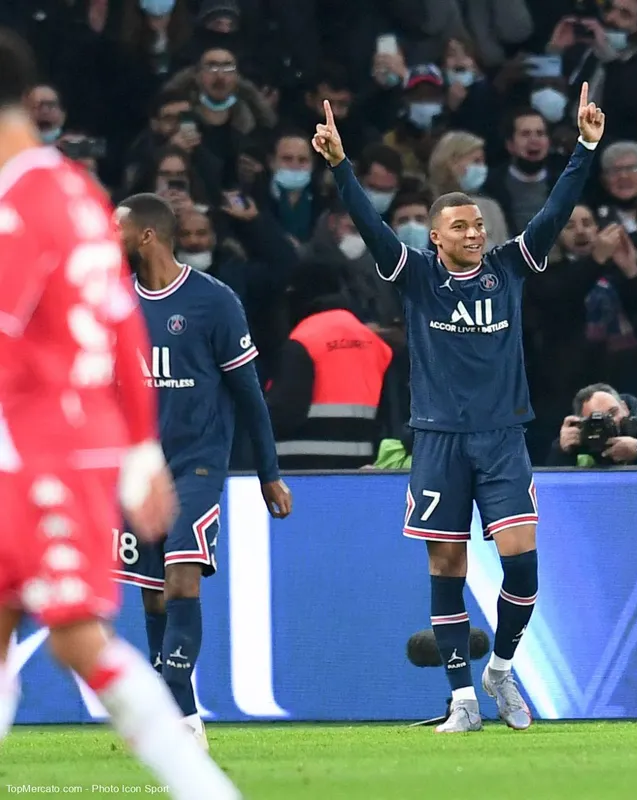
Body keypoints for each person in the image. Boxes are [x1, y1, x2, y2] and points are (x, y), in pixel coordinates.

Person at [312, 83, 605, 733]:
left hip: (502, 437)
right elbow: (368, 223)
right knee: (446, 565)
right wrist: (339, 165)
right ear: (437, 239)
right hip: (439, 440)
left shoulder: (510, 266)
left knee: (522, 561)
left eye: (477, 223)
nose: (475, 232)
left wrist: (584, 146)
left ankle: (500, 668)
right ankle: (464, 700)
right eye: (461, 227)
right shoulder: (416, 275)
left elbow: (554, 214)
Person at [0, 30, 239, 799]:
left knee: (74, 633)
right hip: (70, 439)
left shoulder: (19, 206)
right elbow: (121, 328)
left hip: (39, 446)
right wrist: (137, 449)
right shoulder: (75, 190)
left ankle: (202, 787)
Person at [113, 193, 292, 749]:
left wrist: (269, 472)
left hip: (198, 465)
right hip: (137, 469)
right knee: (151, 593)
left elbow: (248, 393)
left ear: (146, 236)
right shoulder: (112, 304)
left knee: (181, 575)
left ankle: (179, 709)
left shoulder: (213, 302)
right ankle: (177, 713)